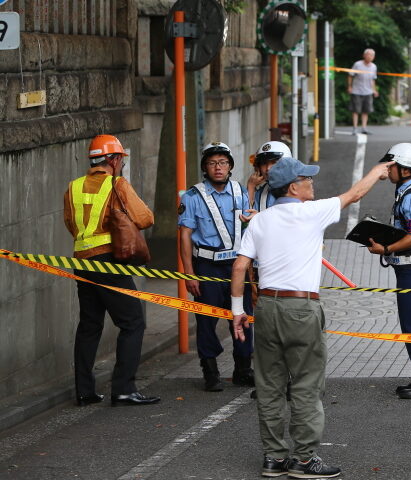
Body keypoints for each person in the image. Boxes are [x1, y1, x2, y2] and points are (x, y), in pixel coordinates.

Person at [230, 156, 393, 478]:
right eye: (307, 179)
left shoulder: (260, 221)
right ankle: (304, 459)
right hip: (301, 308)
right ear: (293, 186)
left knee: (270, 384)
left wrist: (237, 312)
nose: (312, 184)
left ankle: (274, 457)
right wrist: (377, 171)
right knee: (305, 384)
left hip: (266, 307)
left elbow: (238, 266)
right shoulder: (311, 213)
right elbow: (354, 195)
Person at [64, 134, 160, 407]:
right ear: (114, 160)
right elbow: (145, 218)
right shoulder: (116, 184)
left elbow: (70, 223)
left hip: (82, 262)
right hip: (109, 261)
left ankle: (85, 391)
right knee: (133, 322)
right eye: (119, 158)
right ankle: (123, 388)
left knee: (89, 325)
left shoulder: (74, 187)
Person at [178, 142, 255, 392]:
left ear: (230, 166)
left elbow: (247, 228)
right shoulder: (192, 197)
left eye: (223, 162)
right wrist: (189, 274)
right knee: (207, 320)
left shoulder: (239, 191)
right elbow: (185, 235)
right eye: (212, 163)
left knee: (243, 317)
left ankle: (243, 369)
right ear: (205, 167)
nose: (218, 167)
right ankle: (210, 371)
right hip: (207, 265)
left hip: (237, 266)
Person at [367, 143, 411, 399]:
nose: (389, 169)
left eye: (392, 165)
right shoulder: (408, 188)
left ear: (405, 169)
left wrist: (386, 248)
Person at [247, 141, 292, 211]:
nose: (268, 168)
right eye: (264, 163)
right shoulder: (261, 193)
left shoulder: (298, 188)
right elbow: (248, 215)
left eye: (274, 162)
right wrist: (251, 186)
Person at [347, 48, 379, 135]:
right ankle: (355, 128)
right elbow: (350, 75)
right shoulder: (357, 64)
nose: (370, 56)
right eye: (368, 54)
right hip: (356, 90)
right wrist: (350, 87)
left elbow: (373, 79)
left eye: (372, 55)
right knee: (355, 110)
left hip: (368, 91)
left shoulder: (374, 67)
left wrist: (374, 90)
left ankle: (364, 128)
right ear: (364, 55)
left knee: (366, 111)